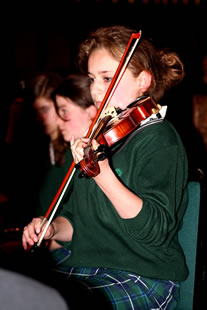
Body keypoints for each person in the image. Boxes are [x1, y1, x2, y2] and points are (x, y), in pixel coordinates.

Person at [22, 25, 189, 309]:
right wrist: (52, 229)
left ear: (143, 81)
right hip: (89, 266)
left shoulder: (159, 138)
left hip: (143, 276)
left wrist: (104, 175)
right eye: (91, 79)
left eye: (107, 78)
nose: (96, 90)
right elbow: (77, 224)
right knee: (18, 288)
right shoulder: (102, 140)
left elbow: (154, 231)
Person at [34, 73, 97, 266]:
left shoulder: (79, 153)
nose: (40, 118)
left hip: (71, 246)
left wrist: (53, 240)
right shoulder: (60, 149)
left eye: (47, 110)